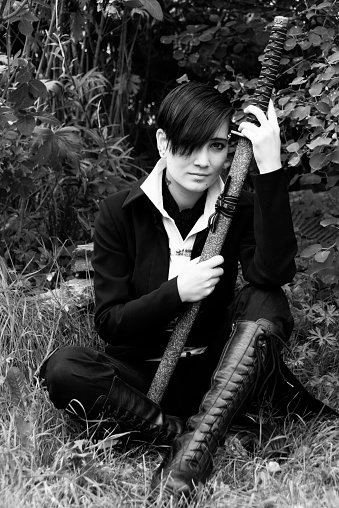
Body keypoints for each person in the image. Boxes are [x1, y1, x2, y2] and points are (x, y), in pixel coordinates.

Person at [39, 81, 337, 502]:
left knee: (266, 298)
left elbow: (272, 273)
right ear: (163, 141)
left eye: (216, 147)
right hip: (142, 379)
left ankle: (193, 451)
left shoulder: (240, 206)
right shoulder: (119, 213)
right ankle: (181, 434)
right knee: (65, 368)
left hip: (218, 376)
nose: (202, 161)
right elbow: (111, 324)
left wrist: (269, 171)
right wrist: (177, 291)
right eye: (189, 146)